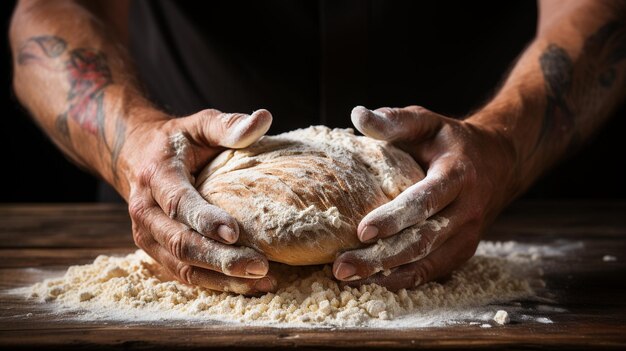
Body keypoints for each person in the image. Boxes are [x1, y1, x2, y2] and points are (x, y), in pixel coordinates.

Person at [9, 0, 626, 295]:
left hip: (483, 192)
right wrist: (130, 142)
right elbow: (50, 11)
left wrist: (504, 146)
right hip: (185, 191)